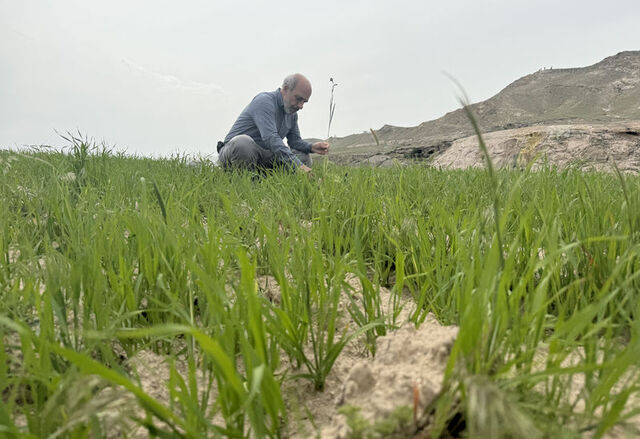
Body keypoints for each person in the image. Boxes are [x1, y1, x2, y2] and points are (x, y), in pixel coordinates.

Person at [218, 73, 329, 173]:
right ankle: (243, 181)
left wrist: (311, 147)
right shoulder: (264, 101)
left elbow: (294, 142)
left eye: (304, 102)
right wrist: (298, 166)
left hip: (263, 157)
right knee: (243, 143)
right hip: (233, 153)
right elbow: (270, 138)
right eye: (298, 99)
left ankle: (273, 182)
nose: (301, 106)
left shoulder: (292, 113)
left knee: (303, 156)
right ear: (285, 89)